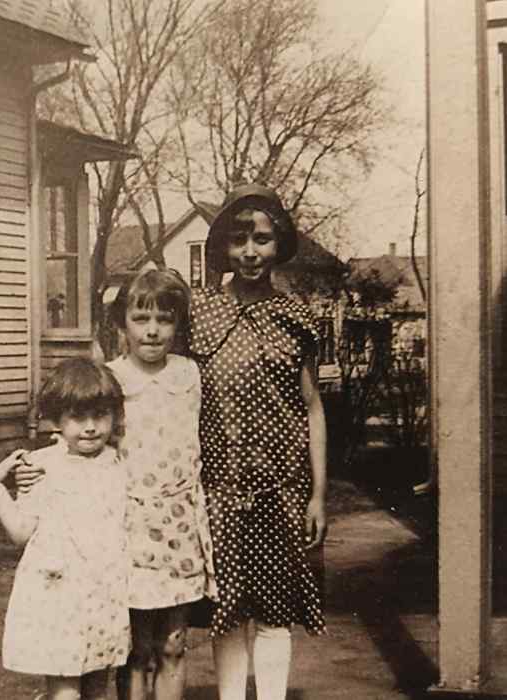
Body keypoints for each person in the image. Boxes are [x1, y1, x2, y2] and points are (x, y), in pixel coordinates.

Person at [17, 269, 216, 700]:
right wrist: (38, 468)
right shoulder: (110, 378)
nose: (153, 331)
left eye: (165, 319)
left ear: (178, 324)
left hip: (180, 529)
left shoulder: (190, 375)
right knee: (136, 647)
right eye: (141, 319)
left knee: (174, 645)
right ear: (120, 323)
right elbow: (74, 434)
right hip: (125, 530)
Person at [189, 183, 327, 700]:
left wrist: (317, 495)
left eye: (263, 240)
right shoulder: (198, 314)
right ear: (223, 245)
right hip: (216, 487)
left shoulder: (297, 319)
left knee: (274, 610)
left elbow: (312, 408)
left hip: (280, 489)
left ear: (279, 244)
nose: (250, 251)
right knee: (226, 609)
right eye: (239, 239)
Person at [0, 357, 130, 700]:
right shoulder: (41, 467)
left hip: (103, 596)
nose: (91, 427)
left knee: (98, 684)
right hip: (59, 596)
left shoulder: (120, 462)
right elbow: (20, 532)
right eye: (77, 417)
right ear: (58, 419)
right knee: (65, 689)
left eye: (100, 415)